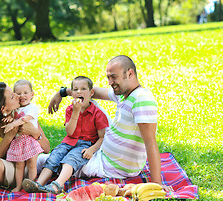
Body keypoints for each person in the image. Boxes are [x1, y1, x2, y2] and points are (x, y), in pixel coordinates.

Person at [46, 55, 172, 192]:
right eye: (108, 78)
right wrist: (62, 92)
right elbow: (92, 92)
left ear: (129, 73)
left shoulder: (141, 99)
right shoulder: (125, 94)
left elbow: (150, 142)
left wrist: (156, 183)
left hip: (109, 166)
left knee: (45, 162)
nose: (110, 82)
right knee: (87, 101)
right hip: (103, 154)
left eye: (114, 77)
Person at [23, 76, 109, 194]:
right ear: (72, 93)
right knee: (54, 157)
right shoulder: (70, 110)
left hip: (85, 144)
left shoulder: (97, 114)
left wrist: (92, 149)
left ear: (91, 93)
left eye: (83, 89)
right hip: (69, 141)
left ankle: (57, 185)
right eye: (75, 89)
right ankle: (39, 184)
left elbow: (102, 137)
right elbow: (70, 132)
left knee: (70, 160)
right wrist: (75, 112)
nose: (79, 92)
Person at [2, 80, 44, 192]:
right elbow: (11, 115)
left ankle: (32, 185)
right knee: (19, 165)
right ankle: (18, 185)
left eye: (26, 92)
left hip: (30, 140)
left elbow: (24, 119)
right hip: (18, 141)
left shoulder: (32, 108)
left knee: (31, 164)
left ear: (32, 94)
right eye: (18, 93)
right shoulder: (15, 108)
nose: (22, 96)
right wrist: (10, 119)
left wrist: (13, 124)